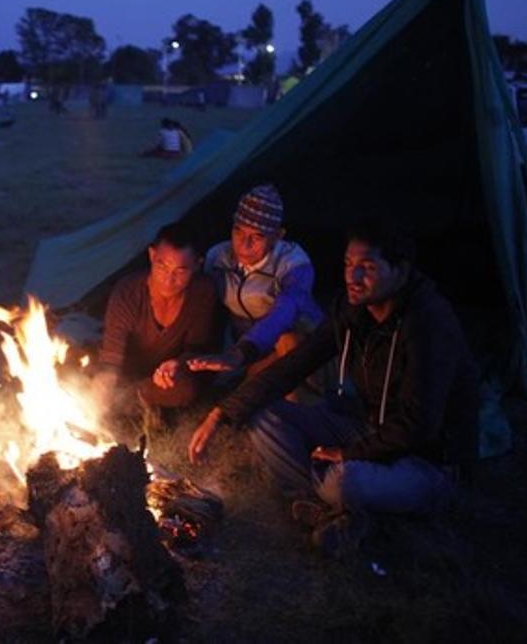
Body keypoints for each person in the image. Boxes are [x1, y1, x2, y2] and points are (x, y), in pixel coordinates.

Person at [187, 221, 481, 555]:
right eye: (348, 265)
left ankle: (332, 502)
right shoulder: (353, 309)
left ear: (400, 270)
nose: (352, 278)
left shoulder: (428, 323)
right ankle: (334, 509)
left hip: (426, 459)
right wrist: (222, 412)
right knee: (262, 414)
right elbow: (295, 364)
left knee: (345, 480)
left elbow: (419, 425)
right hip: (368, 429)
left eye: (367, 268)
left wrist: (347, 455)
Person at [187, 184, 323, 391]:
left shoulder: (293, 264)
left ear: (278, 236)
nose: (244, 244)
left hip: (290, 344)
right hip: (241, 347)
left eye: (257, 236)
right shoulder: (218, 257)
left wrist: (240, 353)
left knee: (289, 343)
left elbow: (284, 313)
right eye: (238, 231)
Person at [95, 222, 221, 422]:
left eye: (180, 271)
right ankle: (124, 404)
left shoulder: (203, 292)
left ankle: (129, 402)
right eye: (162, 266)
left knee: (185, 389)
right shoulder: (128, 292)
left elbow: (198, 349)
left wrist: (177, 364)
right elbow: (111, 356)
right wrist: (101, 393)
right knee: (87, 371)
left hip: (166, 379)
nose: (168, 280)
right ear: (152, 256)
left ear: (197, 265)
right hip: (128, 371)